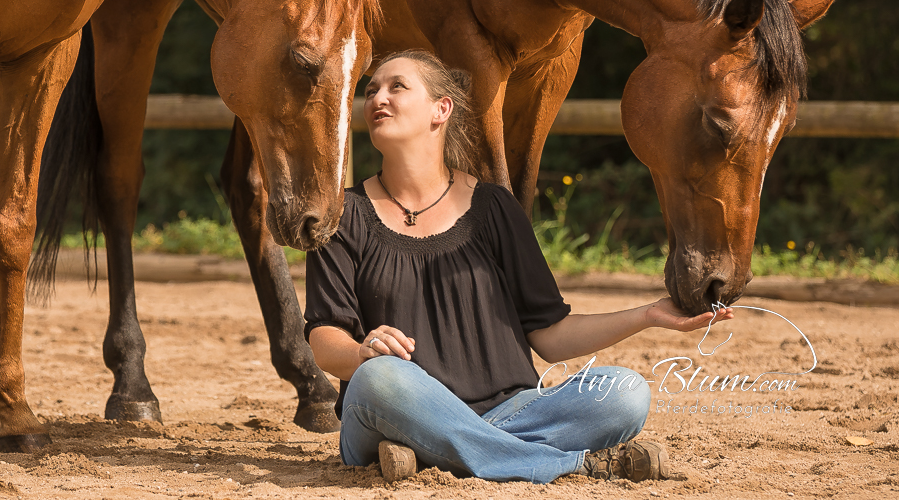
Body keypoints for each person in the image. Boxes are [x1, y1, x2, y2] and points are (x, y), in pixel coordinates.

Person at [303, 49, 732, 484]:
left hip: (511, 409)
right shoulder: (344, 214)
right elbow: (323, 337)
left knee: (624, 392)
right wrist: (361, 353)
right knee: (380, 378)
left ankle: (439, 451)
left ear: (441, 109)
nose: (378, 97)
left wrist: (646, 316)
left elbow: (550, 334)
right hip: (392, 406)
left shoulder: (494, 208)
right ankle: (565, 463)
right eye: (371, 89)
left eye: (397, 86)